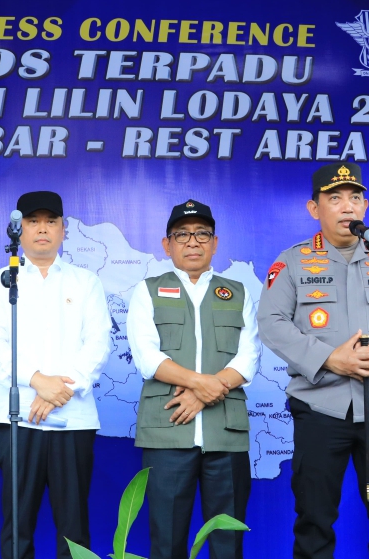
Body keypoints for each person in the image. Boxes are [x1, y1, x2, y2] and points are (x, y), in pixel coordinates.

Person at [257, 163, 369, 559]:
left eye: (354, 198)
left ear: (365, 206)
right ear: (314, 208)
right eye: (334, 198)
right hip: (320, 407)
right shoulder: (293, 261)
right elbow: (271, 322)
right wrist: (329, 358)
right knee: (314, 522)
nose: (347, 206)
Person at [0, 191, 112, 559]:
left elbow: (98, 342)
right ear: (19, 230)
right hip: (18, 418)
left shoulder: (85, 282)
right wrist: (38, 381)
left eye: (51, 221)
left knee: (74, 526)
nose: (42, 229)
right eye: (33, 221)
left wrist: (61, 390)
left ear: (63, 230)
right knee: (17, 523)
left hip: (74, 417)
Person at [127, 199, 262, 559]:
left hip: (226, 434)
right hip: (168, 430)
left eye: (202, 234)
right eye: (182, 234)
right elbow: (147, 357)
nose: (192, 242)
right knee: (167, 541)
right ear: (167, 244)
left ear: (214, 243)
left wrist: (202, 393)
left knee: (227, 542)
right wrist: (202, 384)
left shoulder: (238, 291)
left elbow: (249, 356)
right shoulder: (148, 290)